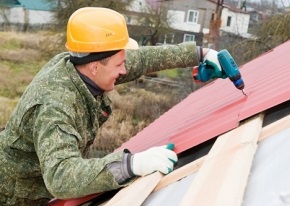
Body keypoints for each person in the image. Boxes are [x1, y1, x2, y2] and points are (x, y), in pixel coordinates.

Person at [0, 7, 224, 205]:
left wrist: (200, 54)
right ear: (96, 67)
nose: (125, 70)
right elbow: (61, 177)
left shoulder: (85, 64)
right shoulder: (55, 106)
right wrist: (131, 165)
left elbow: (144, 59)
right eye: (119, 65)